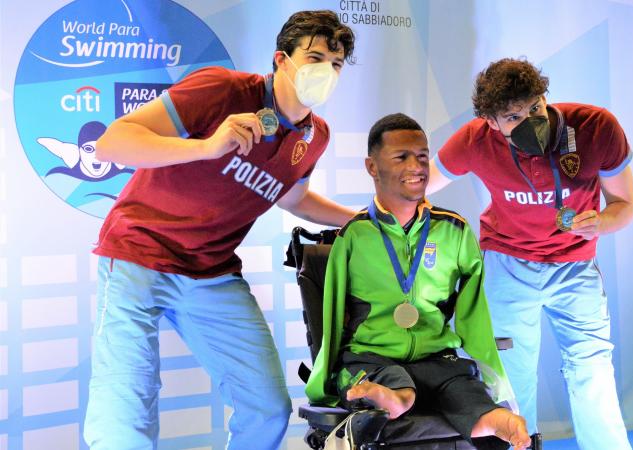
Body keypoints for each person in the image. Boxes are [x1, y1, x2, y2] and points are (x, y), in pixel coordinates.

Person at [83, 10, 356, 450]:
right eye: (315, 57)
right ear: (281, 60)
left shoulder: (315, 136)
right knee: (125, 407)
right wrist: (206, 147)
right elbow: (113, 141)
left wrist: (361, 218)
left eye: (336, 63)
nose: (325, 70)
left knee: (266, 408)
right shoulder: (223, 89)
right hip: (139, 253)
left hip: (211, 271)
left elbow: (292, 197)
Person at [428, 58, 633, 450]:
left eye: (535, 108)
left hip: (575, 266)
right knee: (510, 374)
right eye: (513, 116)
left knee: (592, 370)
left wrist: (601, 222)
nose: (530, 121)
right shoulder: (474, 140)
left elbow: (624, 204)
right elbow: (418, 186)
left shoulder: (595, 127)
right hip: (508, 263)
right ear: (491, 122)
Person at [306, 113, 532, 450]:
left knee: (465, 391)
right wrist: (326, 380)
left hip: (437, 359)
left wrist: (497, 387)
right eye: (402, 157)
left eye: (423, 156)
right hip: (372, 356)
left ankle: (497, 421)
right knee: (397, 383)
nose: (417, 166)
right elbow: (332, 316)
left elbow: (475, 318)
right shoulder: (354, 235)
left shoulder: (454, 231)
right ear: (372, 167)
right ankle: (393, 397)